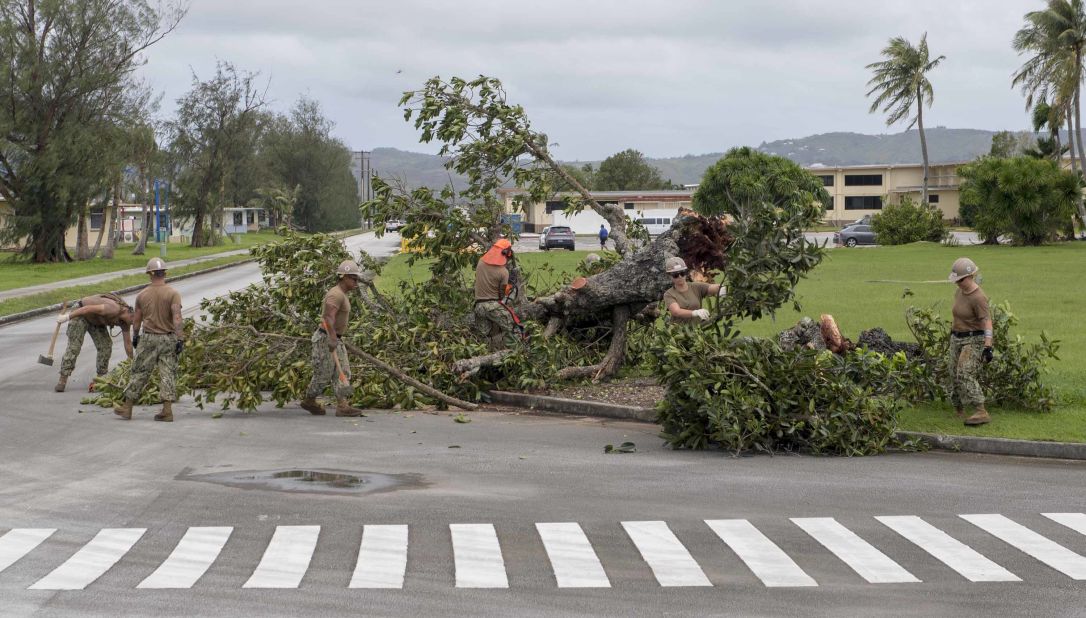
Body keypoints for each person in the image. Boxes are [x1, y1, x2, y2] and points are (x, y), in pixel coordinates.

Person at [113, 258, 184, 422]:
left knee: (139, 372)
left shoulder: (142, 295)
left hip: (149, 338)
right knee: (167, 373)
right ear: (164, 273)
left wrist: (136, 336)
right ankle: (167, 411)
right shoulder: (173, 293)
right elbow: (177, 318)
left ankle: (127, 408)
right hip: (168, 338)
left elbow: (136, 319)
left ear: (150, 274)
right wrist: (180, 339)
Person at [299, 260, 366, 417]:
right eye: (353, 278)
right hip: (326, 338)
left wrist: (337, 339)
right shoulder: (335, 294)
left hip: (336, 338)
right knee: (324, 374)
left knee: (343, 372)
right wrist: (332, 338)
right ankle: (309, 400)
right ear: (344, 277)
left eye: (357, 279)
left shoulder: (342, 294)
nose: (356, 282)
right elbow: (328, 317)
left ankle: (343, 405)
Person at [54, 293, 135, 392]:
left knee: (106, 346)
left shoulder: (125, 322)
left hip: (96, 320)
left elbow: (127, 343)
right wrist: (67, 317)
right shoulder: (113, 308)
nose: (132, 323)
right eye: (132, 320)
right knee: (74, 347)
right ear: (129, 313)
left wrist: (132, 362)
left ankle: (101, 378)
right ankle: (62, 379)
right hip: (80, 312)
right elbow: (86, 309)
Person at [947, 257, 994, 426]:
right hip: (956, 338)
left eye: (960, 280)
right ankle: (958, 410)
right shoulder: (959, 291)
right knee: (953, 373)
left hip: (974, 339)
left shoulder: (978, 297)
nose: (957, 283)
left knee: (965, 372)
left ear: (970, 276)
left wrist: (988, 346)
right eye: (956, 280)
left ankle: (981, 411)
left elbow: (987, 321)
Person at [474, 238, 516, 352]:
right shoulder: (503, 272)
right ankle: (515, 352)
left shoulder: (480, 263)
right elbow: (504, 295)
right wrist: (511, 285)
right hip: (492, 306)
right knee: (512, 326)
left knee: (483, 338)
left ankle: (482, 355)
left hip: (478, 306)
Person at [662, 256, 725, 324]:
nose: (680, 276)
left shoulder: (696, 286)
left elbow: (713, 287)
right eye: (675, 275)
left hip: (696, 331)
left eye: (682, 273)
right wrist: (695, 313)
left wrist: (723, 288)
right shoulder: (669, 294)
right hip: (679, 333)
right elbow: (676, 311)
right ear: (669, 276)